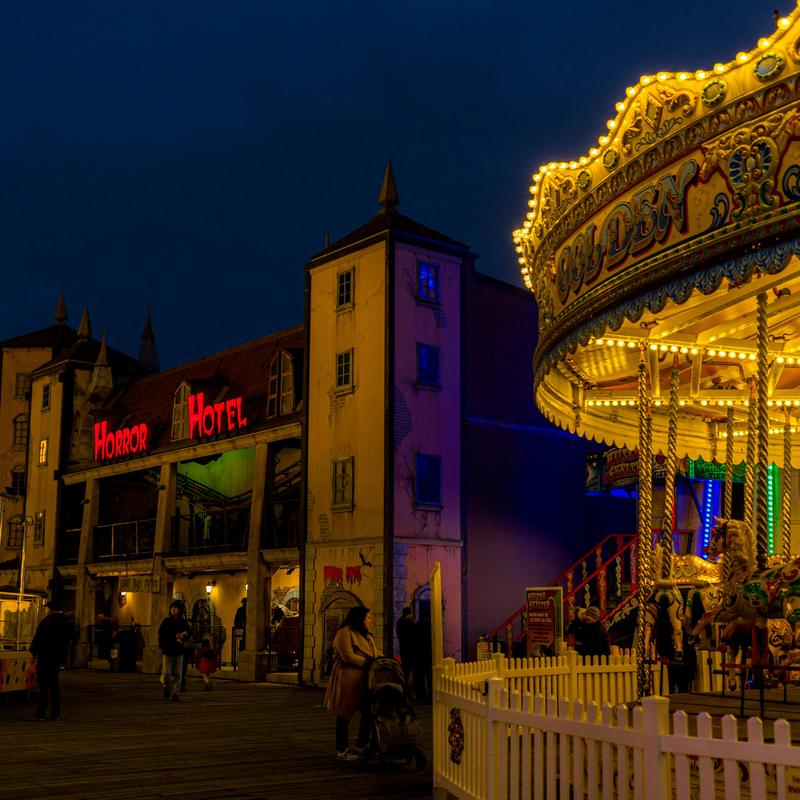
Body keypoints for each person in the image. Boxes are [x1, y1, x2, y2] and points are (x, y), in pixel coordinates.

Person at [323, 606, 379, 762]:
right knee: (344, 714)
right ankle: (342, 750)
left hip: (364, 680)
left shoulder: (366, 635)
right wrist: (369, 662)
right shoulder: (345, 633)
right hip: (348, 678)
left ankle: (361, 744)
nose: (370, 620)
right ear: (360, 618)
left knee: (369, 711)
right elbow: (347, 655)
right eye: (368, 617)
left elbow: (375, 652)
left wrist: (384, 660)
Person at [30, 598, 70, 720]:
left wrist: (33, 651)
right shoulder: (64, 623)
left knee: (43, 687)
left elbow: (38, 640)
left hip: (45, 657)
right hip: (56, 658)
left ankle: (41, 712)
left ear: (51, 610)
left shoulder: (46, 622)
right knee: (54, 686)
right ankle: (55, 712)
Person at [158, 600, 191, 701]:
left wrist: (183, 636)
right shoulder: (166, 621)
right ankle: (166, 687)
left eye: (175, 608)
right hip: (168, 650)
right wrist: (175, 636)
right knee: (166, 673)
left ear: (179, 610)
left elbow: (188, 633)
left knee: (178, 673)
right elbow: (161, 633)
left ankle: (176, 692)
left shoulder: (183, 622)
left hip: (178, 650)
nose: (173, 609)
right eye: (172, 607)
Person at [396, 606, 417, 691]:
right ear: (409, 614)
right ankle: (406, 689)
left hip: (404, 650)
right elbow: (414, 636)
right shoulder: (409, 624)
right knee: (411, 671)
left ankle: (403, 689)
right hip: (411, 651)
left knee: (405, 670)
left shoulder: (399, 623)